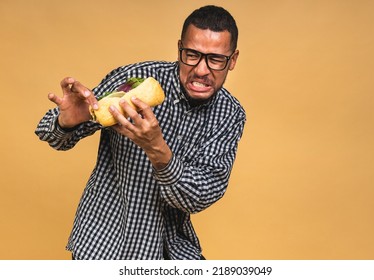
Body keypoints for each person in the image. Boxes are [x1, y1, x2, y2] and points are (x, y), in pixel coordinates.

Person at [35, 5, 246, 260]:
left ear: (232, 60)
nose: (201, 70)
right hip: (104, 244)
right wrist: (69, 121)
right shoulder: (138, 79)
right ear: (179, 48)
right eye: (191, 54)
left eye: (215, 59)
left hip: (168, 249)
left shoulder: (229, 115)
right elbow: (52, 136)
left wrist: (157, 148)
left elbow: (200, 196)